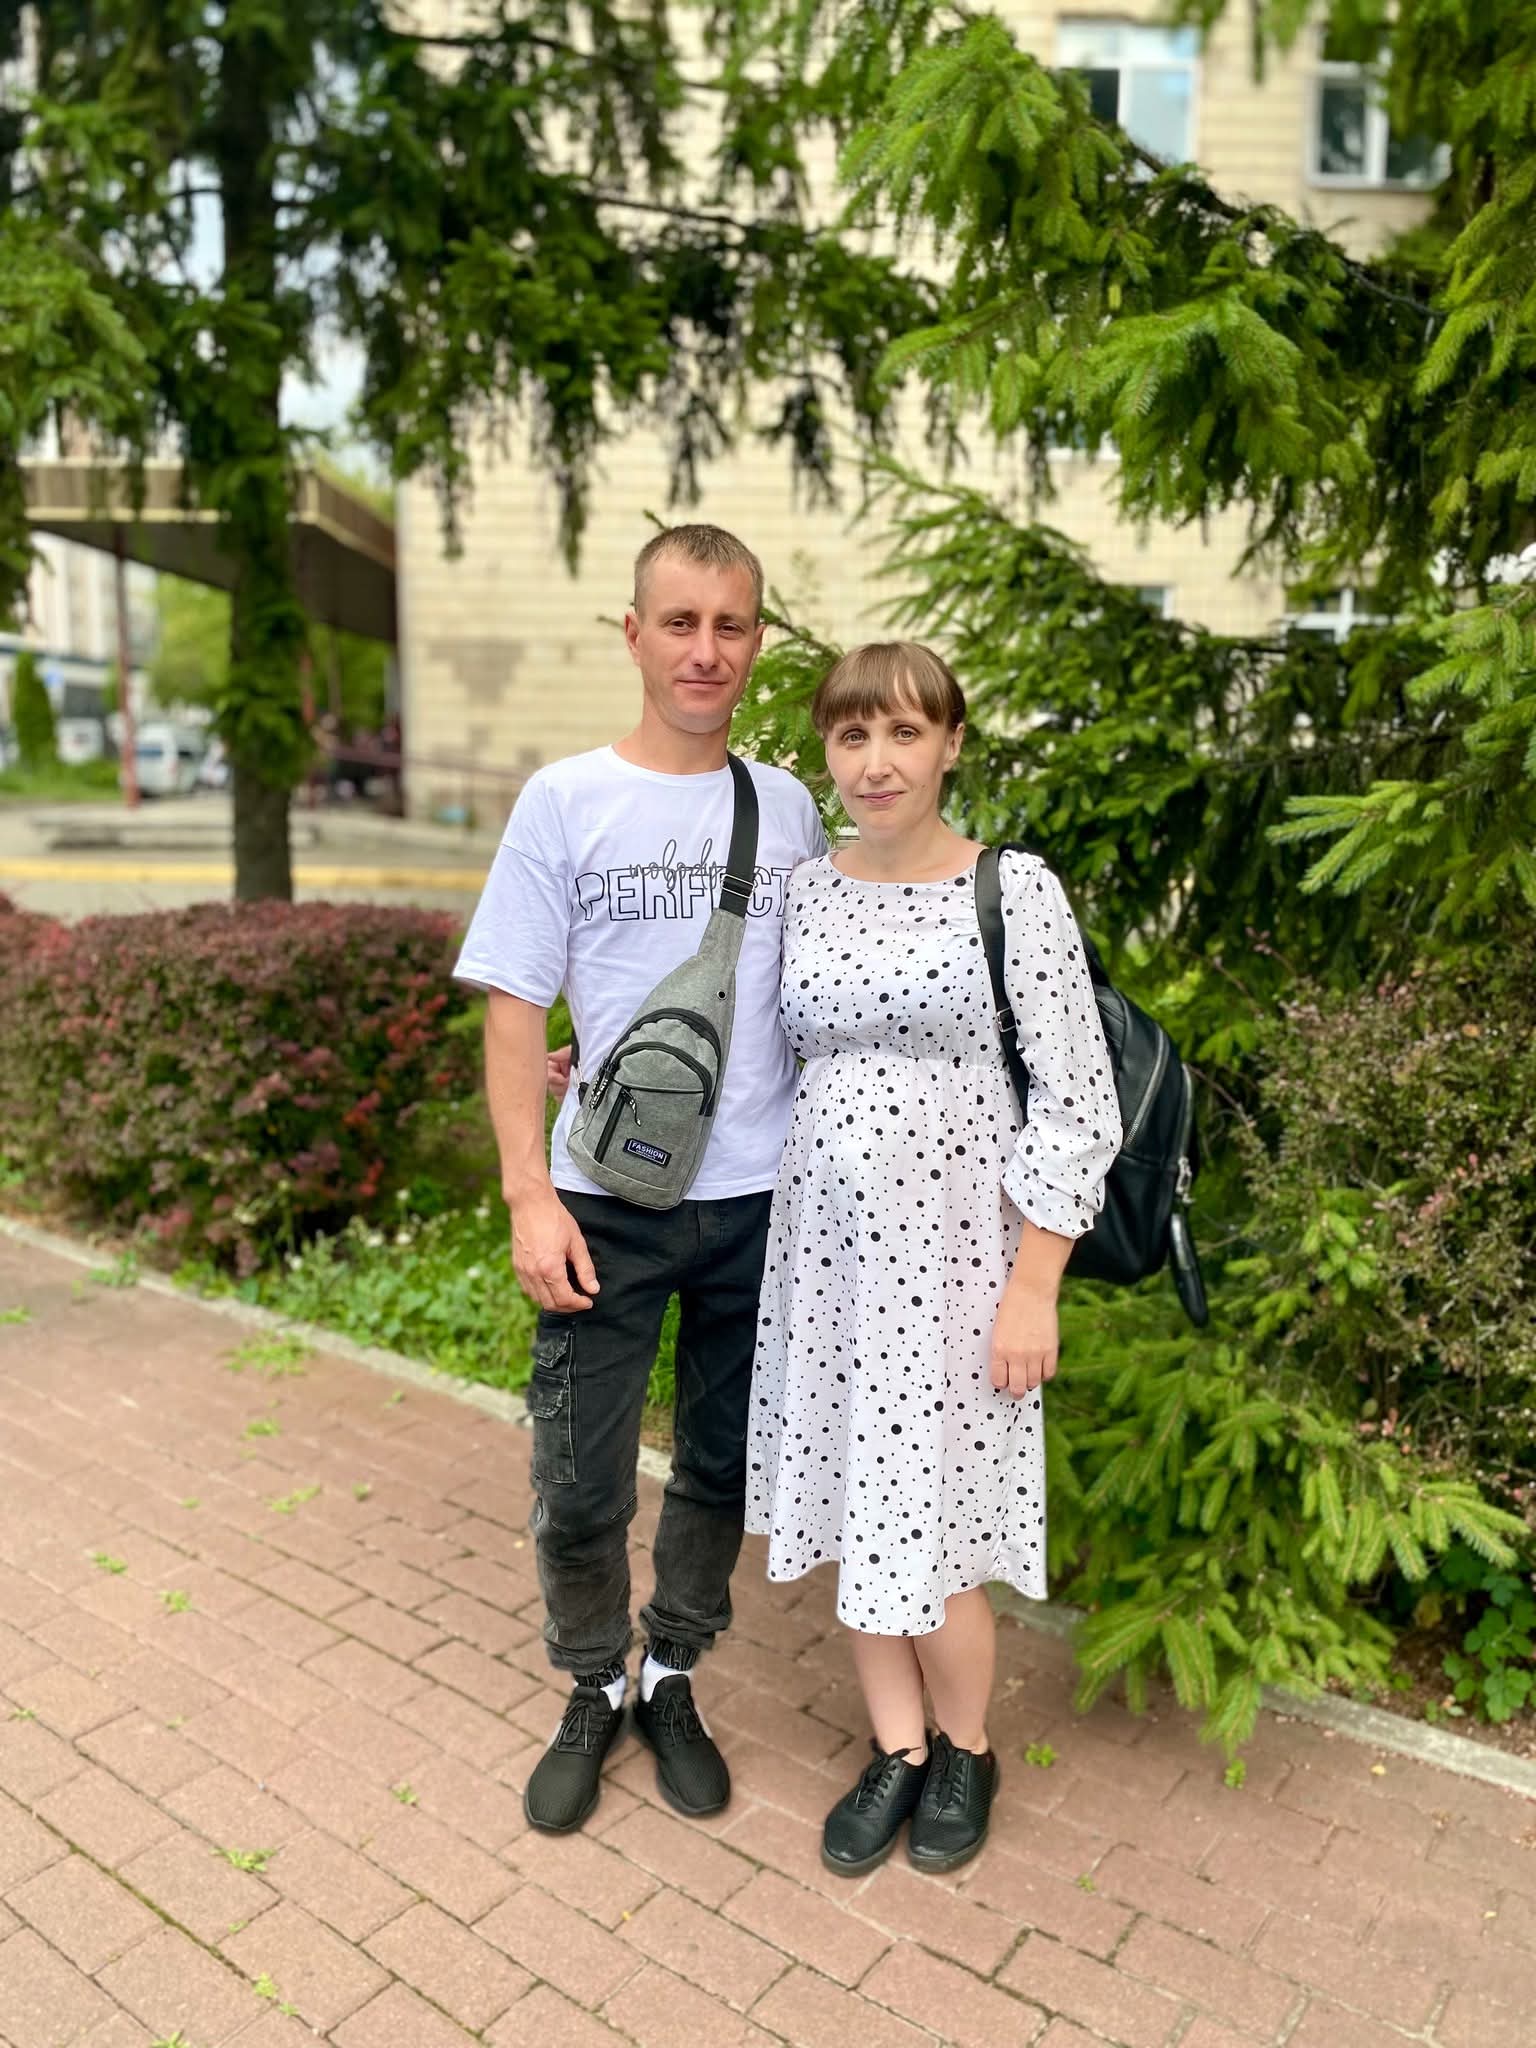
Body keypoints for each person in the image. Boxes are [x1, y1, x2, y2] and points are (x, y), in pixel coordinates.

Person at [455, 525, 825, 1835]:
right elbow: (513, 1005)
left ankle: (671, 1672)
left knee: (719, 1467)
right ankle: (590, 1683)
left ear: (757, 642)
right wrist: (528, 1193)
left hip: (760, 1204)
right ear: (633, 634)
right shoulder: (565, 799)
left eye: (730, 625)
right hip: (602, 1206)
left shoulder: (787, 808)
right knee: (578, 1481)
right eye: (680, 622)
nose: (705, 650)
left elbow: (815, 992)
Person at [745, 641, 1121, 1875]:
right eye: (852, 735)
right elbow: (758, 1057)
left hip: (963, 1268)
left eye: (904, 732)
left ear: (951, 744)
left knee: (943, 1520)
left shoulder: (1013, 890)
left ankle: (966, 1746)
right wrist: (598, 1070)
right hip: (829, 1267)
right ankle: (896, 1745)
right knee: (857, 1500)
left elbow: (1077, 1103)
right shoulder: (805, 891)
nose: (876, 761)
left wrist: (1034, 1286)